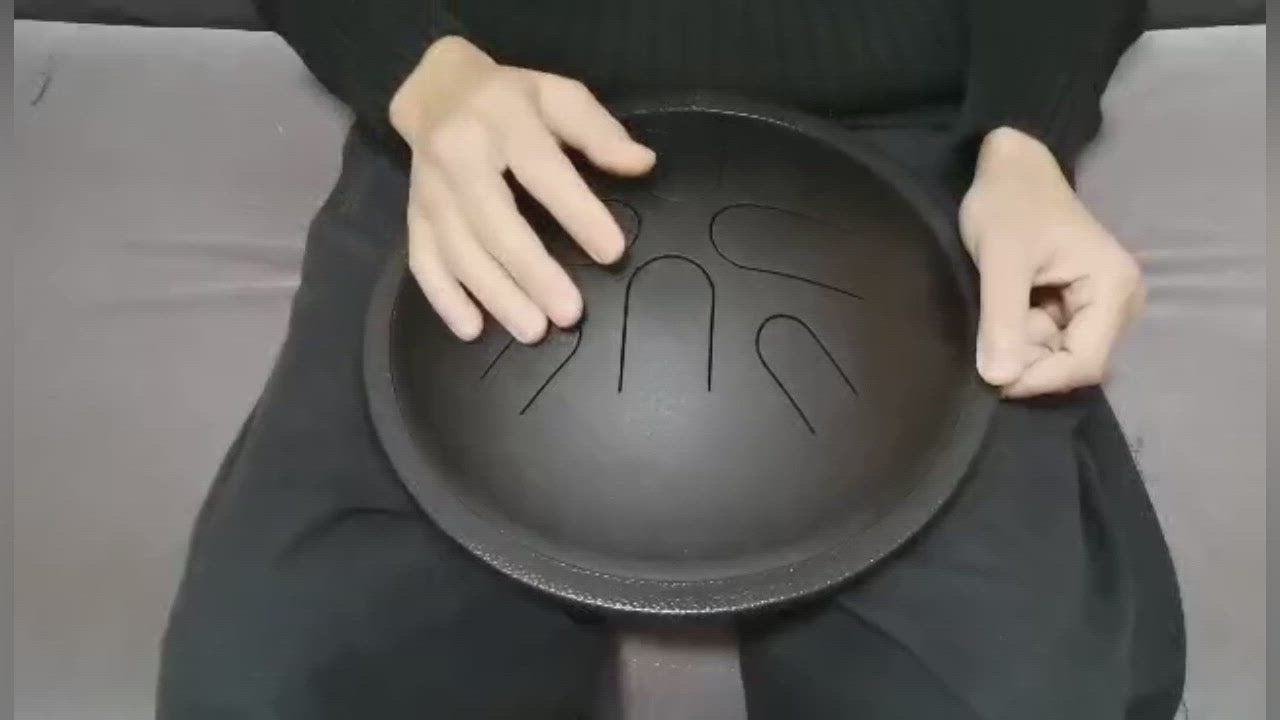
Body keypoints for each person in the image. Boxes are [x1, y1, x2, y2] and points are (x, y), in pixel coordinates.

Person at [156, 1, 1185, 718]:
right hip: (488, 125)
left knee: (1026, 693)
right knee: (264, 685)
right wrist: (417, 70)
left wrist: (1026, 139)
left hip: (906, 143)